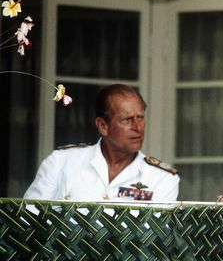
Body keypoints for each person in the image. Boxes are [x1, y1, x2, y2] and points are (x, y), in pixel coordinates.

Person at [24, 84, 180, 202]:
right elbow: (28, 222)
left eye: (140, 118)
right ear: (103, 126)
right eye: (127, 120)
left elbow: (156, 241)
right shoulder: (61, 162)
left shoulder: (162, 178)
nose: (138, 128)